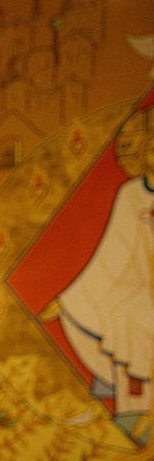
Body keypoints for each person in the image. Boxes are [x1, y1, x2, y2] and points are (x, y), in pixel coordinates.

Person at [56, 131, 154, 426]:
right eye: (149, 149)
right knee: (127, 314)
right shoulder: (130, 194)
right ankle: (134, 409)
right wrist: (72, 296)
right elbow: (114, 250)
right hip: (136, 283)